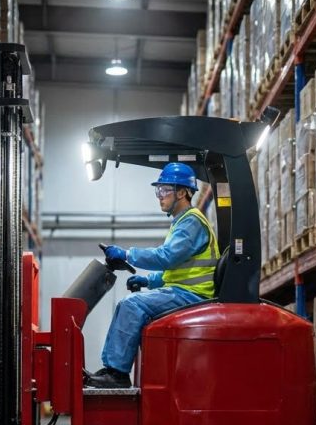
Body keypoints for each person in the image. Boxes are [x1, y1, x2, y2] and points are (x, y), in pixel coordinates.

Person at [85, 162, 220, 389]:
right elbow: (175, 270)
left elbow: (166, 257)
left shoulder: (191, 223)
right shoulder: (182, 223)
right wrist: (149, 280)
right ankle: (112, 368)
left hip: (193, 295)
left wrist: (127, 254)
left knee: (131, 305)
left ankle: (117, 374)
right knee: (128, 305)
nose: (160, 196)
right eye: (158, 190)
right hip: (184, 291)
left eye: (164, 190)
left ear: (182, 192)